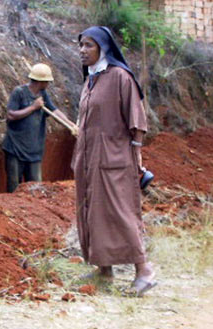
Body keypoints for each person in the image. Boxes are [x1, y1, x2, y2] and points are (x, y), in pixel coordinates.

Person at [73, 26, 157, 296]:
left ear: (103, 48)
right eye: (81, 45)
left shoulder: (120, 77)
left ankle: (144, 271)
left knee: (121, 213)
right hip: (89, 159)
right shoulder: (91, 79)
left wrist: (136, 158)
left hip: (114, 159)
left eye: (89, 45)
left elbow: (137, 123)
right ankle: (104, 269)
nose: (82, 50)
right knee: (92, 210)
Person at [2, 63, 76, 193]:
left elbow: (54, 111)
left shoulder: (43, 94)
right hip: (15, 149)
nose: (48, 84)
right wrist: (33, 107)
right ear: (42, 82)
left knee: (36, 190)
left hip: (34, 151)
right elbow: (10, 115)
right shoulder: (19, 92)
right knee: (14, 189)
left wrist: (71, 124)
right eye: (47, 81)